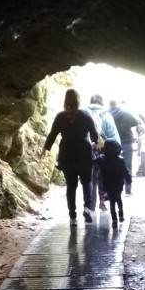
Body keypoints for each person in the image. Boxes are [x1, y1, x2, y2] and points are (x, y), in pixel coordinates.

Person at [41, 88, 98, 226]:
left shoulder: (60, 117)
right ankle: (87, 208)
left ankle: (72, 216)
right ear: (78, 100)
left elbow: (53, 134)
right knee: (86, 182)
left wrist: (45, 149)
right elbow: (94, 134)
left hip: (67, 153)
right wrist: (96, 144)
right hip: (84, 152)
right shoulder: (85, 115)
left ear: (65, 100)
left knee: (71, 185)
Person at [85, 94, 120, 212]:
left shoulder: (83, 113)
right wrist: (117, 151)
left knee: (90, 177)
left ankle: (90, 204)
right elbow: (113, 135)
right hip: (102, 148)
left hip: (87, 148)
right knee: (102, 176)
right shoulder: (106, 115)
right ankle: (102, 202)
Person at [108, 100, 144, 195]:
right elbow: (136, 122)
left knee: (112, 167)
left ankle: (114, 189)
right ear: (117, 105)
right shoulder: (126, 114)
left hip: (112, 144)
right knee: (127, 166)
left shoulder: (106, 115)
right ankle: (128, 190)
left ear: (109, 105)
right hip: (127, 143)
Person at [95, 139, 132, 227]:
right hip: (118, 183)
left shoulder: (102, 158)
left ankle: (114, 219)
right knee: (118, 198)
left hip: (108, 183)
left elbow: (93, 160)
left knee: (112, 201)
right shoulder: (120, 159)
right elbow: (125, 171)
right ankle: (121, 215)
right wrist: (129, 180)